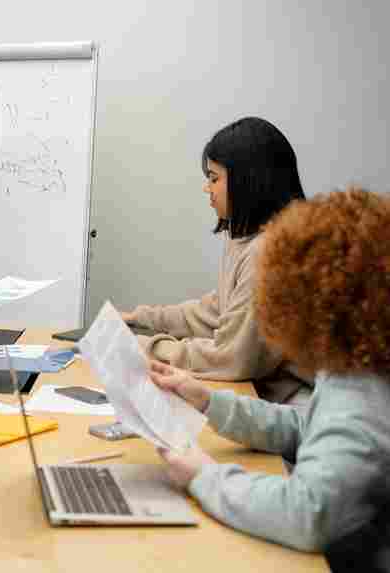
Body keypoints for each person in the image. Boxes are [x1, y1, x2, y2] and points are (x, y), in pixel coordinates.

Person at [149, 188, 390, 552]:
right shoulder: (359, 366)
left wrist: (204, 476)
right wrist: (208, 401)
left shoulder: (360, 396)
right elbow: (307, 428)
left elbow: (305, 515)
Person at [121, 117, 308, 403]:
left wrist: (148, 347)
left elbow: (233, 358)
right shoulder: (247, 238)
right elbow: (218, 312)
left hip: (296, 408)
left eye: (214, 178)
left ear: (247, 180)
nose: (207, 188)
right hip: (263, 395)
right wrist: (141, 318)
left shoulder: (269, 252)